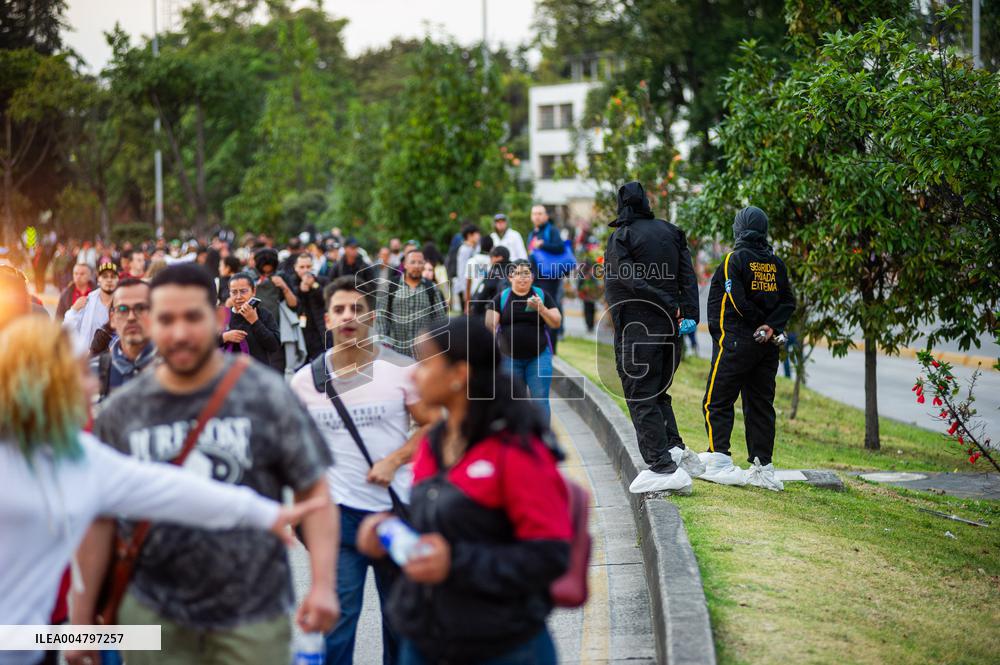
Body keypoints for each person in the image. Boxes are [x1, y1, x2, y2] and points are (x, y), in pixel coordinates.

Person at [0, 316, 323, 665]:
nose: (93, 385)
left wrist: (264, 513)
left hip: (27, 644)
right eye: (80, 373)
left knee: (144, 638)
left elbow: (170, 489)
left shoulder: (80, 456)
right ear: (42, 382)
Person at [72, 264, 339, 665]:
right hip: (152, 614)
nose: (179, 332)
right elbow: (100, 518)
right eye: (166, 319)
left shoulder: (264, 394)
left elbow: (313, 490)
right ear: (150, 320)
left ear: (216, 318)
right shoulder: (121, 413)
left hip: (251, 612)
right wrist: (82, 620)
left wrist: (323, 584)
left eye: (192, 317)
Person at [356, 317, 571, 665]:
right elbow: (436, 530)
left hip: (503, 647)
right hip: (426, 639)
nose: (412, 373)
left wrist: (455, 563)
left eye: (424, 363)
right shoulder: (435, 442)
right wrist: (388, 532)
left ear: (460, 374)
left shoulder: (516, 449)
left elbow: (551, 556)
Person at [290, 276, 438, 665]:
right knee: (338, 624)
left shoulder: (400, 369)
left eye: (357, 309)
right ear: (327, 319)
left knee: (399, 623)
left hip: (395, 514)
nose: (348, 316)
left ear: (371, 316)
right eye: (339, 309)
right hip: (338, 518)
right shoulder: (305, 382)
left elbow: (433, 425)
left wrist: (395, 460)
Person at [604, 181, 703, 494]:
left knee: (641, 393)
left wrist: (667, 303)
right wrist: (688, 314)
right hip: (671, 329)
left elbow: (629, 279)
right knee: (658, 391)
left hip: (638, 329)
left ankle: (662, 466)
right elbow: (688, 276)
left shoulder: (622, 236)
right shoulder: (671, 231)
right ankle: (673, 448)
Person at [700, 206, 796, 490]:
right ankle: (763, 468)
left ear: (739, 229)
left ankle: (719, 459)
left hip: (736, 343)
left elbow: (737, 300)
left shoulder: (735, 259)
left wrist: (759, 325)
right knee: (760, 406)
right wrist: (771, 327)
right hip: (766, 347)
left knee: (716, 400)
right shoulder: (776, 263)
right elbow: (789, 302)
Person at [485, 259, 561, 425]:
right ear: (510, 277)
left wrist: (541, 309)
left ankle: (543, 441)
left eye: (526, 273)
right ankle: (517, 441)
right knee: (513, 402)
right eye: (517, 273)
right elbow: (489, 326)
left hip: (539, 357)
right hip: (509, 359)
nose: (522, 278)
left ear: (532, 277)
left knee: (540, 401)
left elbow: (556, 322)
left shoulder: (542, 296)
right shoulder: (501, 298)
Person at [90, 279, 156, 403]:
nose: (131, 317)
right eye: (123, 309)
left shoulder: (175, 372)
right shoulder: (91, 374)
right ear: (112, 319)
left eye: (141, 308)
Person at [378, 249, 449, 358]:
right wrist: (384, 343)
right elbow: (381, 318)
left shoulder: (431, 289)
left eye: (420, 262)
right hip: (395, 352)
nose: (416, 266)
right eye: (412, 262)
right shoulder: (391, 286)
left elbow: (440, 320)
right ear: (405, 265)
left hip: (423, 354)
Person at [221, 271, 282, 369]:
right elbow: (206, 344)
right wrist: (224, 337)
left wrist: (255, 321)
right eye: (234, 292)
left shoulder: (263, 314)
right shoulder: (223, 316)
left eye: (243, 291)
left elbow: (274, 345)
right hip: (228, 375)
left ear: (253, 291)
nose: (238, 297)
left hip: (258, 375)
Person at [526, 205, 565, 353]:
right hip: (535, 278)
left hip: (549, 278)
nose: (537, 216)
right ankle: (539, 345)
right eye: (534, 213)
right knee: (535, 311)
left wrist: (543, 244)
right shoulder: (532, 233)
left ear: (546, 216)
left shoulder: (552, 230)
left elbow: (560, 248)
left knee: (549, 309)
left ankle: (551, 349)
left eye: (540, 213)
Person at [63, 261, 119, 350]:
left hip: (113, 359)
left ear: (117, 280)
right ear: (99, 279)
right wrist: (73, 311)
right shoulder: (87, 302)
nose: (109, 280)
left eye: (113, 276)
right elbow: (67, 329)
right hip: (88, 357)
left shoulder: (123, 303)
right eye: (105, 276)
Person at [290, 252, 329, 361]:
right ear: (296, 268)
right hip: (300, 329)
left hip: (319, 328)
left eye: (308, 266)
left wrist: (313, 285)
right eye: (302, 267)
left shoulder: (322, 280)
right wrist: (300, 290)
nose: (305, 270)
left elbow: (327, 298)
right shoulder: (291, 282)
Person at [467, 245, 510, 321]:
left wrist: (473, 309)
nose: (490, 259)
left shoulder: (495, 271)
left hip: (497, 314)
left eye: (491, 256)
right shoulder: (514, 269)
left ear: (499, 258)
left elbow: (481, 296)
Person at [463, 235, 494, 315]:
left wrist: (467, 304)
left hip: (475, 299)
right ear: (492, 247)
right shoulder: (493, 263)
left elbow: (468, 285)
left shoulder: (471, 261)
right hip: (490, 300)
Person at [452, 224, 480, 311]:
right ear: (469, 235)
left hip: (473, 287)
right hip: (465, 288)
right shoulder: (464, 249)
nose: (479, 236)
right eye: (477, 234)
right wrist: (465, 291)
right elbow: (461, 270)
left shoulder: (475, 248)